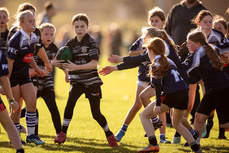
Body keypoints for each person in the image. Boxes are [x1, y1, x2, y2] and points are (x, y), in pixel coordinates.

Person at [51, 13, 118, 147]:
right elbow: (59, 61)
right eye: (77, 27)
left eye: (82, 26)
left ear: (87, 27)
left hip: (92, 81)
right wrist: (60, 67)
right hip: (77, 81)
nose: (79, 29)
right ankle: (62, 133)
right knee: (69, 104)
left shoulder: (91, 42)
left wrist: (76, 67)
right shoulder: (70, 43)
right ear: (73, 27)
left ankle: (109, 134)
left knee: (96, 113)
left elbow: (94, 64)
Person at [110, 8, 168, 143]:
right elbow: (131, 53)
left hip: (159, 75)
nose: (154, 23)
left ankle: (163, 137)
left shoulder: (165, 38)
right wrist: (144, 51)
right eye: (152, 21)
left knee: (160, 105)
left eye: (157, 21)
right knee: (137, 104)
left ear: (163, 23)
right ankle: (121, 131)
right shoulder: (144, 37)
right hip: (144, 74)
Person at [138, 37, 202, 153]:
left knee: (144, 115)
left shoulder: (156, 64)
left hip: (172, 94)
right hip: (183, 93)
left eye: (147, 51)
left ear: (151, 51)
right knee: (177, 123)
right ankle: (197, 149)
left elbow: (157, 87)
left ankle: (153, 144)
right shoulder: (169, 60)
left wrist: (158, 104)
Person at [165, 0, 206, 143]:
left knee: (191, 98)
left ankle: (198, 121)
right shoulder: (176, 9)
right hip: (178, 58)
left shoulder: (202, 9)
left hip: (196, 59)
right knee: (178, 92)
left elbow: (204, 32)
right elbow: (167, 31)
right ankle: (179, 131)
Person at [7, 10, 49, 145]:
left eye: (34, 20)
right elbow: (9, 64)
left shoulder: (34, 36)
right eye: (30, 21)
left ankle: (31, 136)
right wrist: (4, 84)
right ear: (21, 23)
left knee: (32, 103)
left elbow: (29, 56)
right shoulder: (15, 40)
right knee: (16, 109)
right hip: (12, 77)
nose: (33, 23)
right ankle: (14, 137)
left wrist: (37, 69)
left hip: (24, 75)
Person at [182, 30, 229, 146]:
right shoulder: (211, 48)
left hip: (221, 89)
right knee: (199, 117)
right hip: (212, 91)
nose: (187, 45)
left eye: (189, 43)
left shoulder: (197, 54)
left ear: (198, 44)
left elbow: (182, 69)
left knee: (224, 125)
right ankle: (195, 142)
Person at [0, 49, 24, 153]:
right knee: (9, 124)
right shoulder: (0, 54)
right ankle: (20, 150)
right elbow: (4, 79)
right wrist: (11, 100)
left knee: (9, 123)